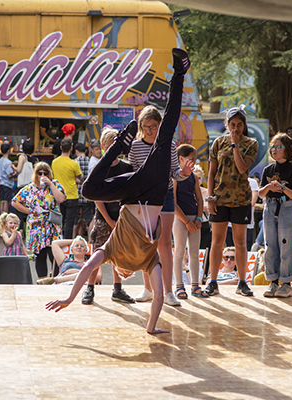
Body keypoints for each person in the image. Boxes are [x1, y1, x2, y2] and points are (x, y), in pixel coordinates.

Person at [46, 47, 191, 334]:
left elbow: (87, 269)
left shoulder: (110, 252)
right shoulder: (148, 262)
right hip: (152, 191)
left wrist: (69, 298)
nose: (123, 273)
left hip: (133, 189)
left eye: (121, 275)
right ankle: (179, 72)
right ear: (129, 274)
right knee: (165, 137)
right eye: (124, 275)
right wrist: (150, 328)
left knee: (89, 189)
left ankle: (117, 145)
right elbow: (159, 296)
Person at [129, 96, 193, 307]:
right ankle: (148, 289)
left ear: (160, 125)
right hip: (144, 200)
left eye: (154, 126)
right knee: (147, 244)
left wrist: (184, 173)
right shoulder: (135, 146)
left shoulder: (169, 145)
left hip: (164, 196)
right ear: (140, 127)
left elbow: (175, 174)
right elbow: (131, 173)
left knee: (165, 243)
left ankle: (168, 291)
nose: (150, 130)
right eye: (146, 127)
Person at [205, 105, 258, 297]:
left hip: (241, 200)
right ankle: (212, 282)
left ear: (244, 125)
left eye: (239, 124)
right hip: (219, 199)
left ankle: (242, 282)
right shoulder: (218, 142)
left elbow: (243, 168)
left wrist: (235, 145)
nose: (235, 128)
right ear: (226, 125)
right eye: (232, 124)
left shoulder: (251, 143)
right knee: (217, 241)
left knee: (240, 242)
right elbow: (211, 173)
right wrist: (210, 198)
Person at [82, 128, 136, 305]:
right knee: (97, 253)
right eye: (109, 145)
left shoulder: (126, 167)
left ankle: (117, 288)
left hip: (121, 217)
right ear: (104, 147)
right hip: (103, 217)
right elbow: (97, 198)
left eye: (116, 144)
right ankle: (89, 288)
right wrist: (109, 220)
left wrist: (121, 219)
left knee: (118, 254)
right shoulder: (99, 168)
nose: (112, 148)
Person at [259, 133, 292, 298]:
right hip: (270, 207)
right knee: (270, 246)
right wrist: (270, 187)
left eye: (279, 147)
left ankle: (286, 283)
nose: (274, 150)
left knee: (287, 246)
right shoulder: (268, 170)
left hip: (287, 208)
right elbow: (261, 193)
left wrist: (283, 188)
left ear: (288, 149)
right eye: (273, 147)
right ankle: (272, 281)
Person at [11, 162, 66, 278]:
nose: (42, 175)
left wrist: (50, 183)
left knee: (54, 255)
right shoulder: (30, 188)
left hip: (52, 226)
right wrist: (29, 211)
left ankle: (55, 279)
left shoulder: (55, 184)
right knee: (39, 256)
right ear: (35, 174)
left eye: (45, 173)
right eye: (39, 173)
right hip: (36, 227)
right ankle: (42, 281)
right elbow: (15, 202)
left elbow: (61, 199)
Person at [172, 144, 207, 299]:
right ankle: (179, 285)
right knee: (179, 251)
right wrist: (186, 221)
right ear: (181, 158)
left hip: (194, 217)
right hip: (180, 219)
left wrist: (199, 218)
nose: (193, 162)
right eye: (190, 159)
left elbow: (199, 198)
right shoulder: (174, 177)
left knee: (194, 252)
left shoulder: (193, 176)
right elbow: (173, 202)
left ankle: (195, 285)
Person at [52, 137, 82, 239]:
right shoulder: (74, 164)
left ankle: (58, 241)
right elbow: (81, 178)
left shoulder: (54, 162)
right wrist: (76, 179)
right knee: (69, 223)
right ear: (71, 148)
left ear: (60, 147)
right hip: (72, 195)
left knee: (59, 222)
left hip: (59, 195)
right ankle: (67, 245)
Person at [73, 142, 94, 238]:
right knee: (89, 219)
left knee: (75, 219)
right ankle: (90, 241)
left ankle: (73, 241)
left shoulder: (74, 162)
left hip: (76, 194)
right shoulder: (91, 161)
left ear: (76, 151)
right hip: (87, 194)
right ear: (86, 151)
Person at [0, 142, 17, 215]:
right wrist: (15, 173)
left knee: (2, 201)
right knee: (6, 201)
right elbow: (9, 175)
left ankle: (1, 216)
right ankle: (5, 216)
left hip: (1, 183)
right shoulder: (8, 162)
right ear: (8, 151)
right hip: (7, 184)